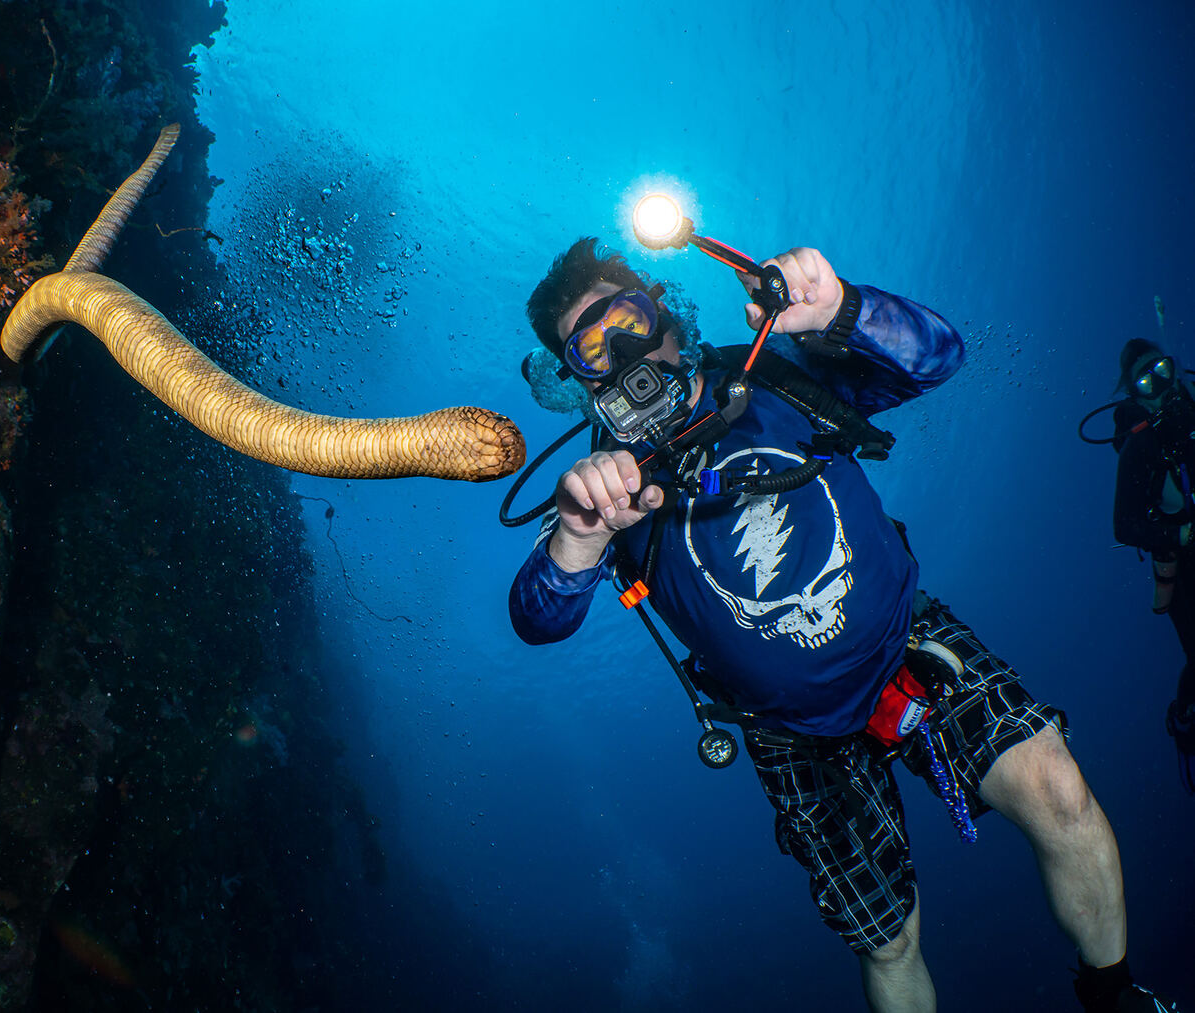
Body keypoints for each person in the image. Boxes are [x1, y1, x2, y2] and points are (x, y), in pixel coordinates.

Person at [508, 238, 1176, 1012]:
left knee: (1056, 786)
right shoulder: (604, 489)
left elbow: (938, 356)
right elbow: (536, 619)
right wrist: (579, 538)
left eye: (626, 317)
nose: (621, 350)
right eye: (590, 346)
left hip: (909, 642)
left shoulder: (771, 374)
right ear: (576, 381)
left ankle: (1117, 995)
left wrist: (843, 310)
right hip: (787, 731)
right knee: (887, 938)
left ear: (664, 312)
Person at [1111, 337, 1195, 795]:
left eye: (1164, 368)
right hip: (1186, 568)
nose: (1160, 383)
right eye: (1147, 379)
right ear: (1135, 392)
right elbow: (1124, 525)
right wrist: (1183, 536)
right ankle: (1185, 718)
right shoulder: (1142, 445)